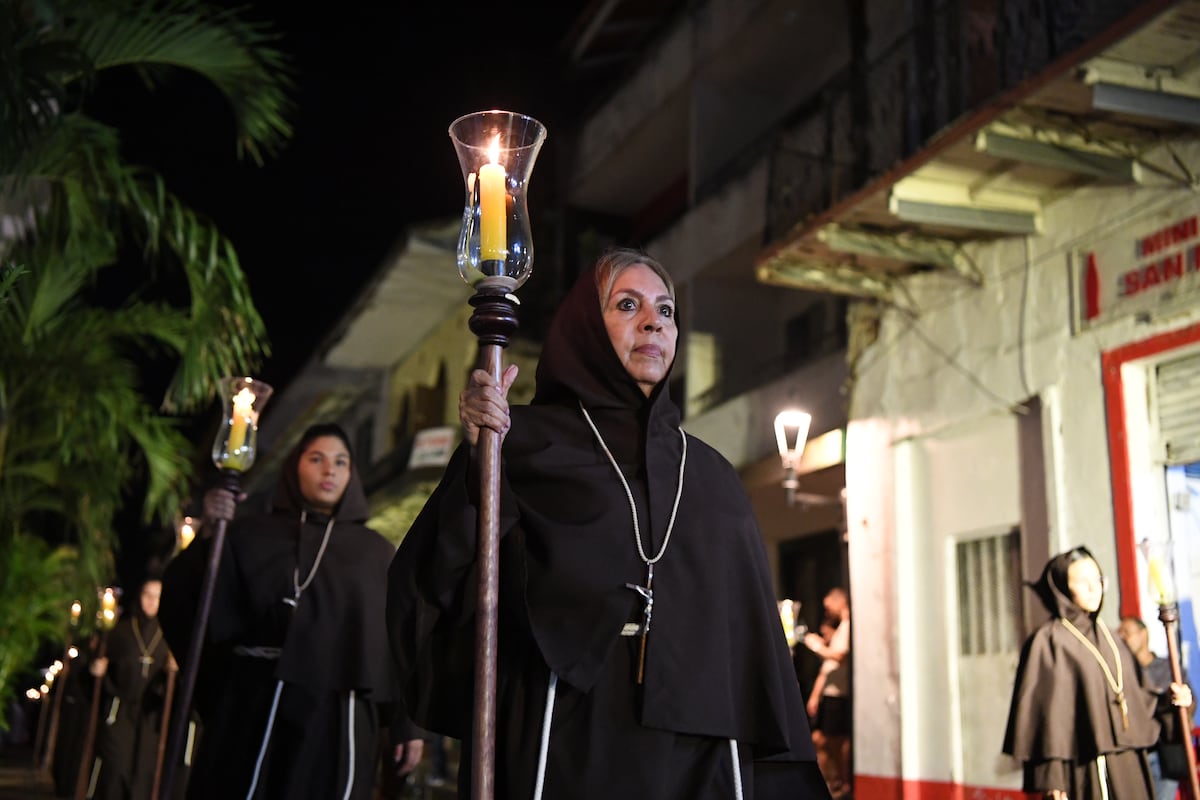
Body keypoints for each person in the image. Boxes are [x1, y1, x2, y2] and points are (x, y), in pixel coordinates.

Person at [386, 247, 830, 799]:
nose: (653, 322)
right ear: (584, 329)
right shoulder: (519, 443)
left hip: (698, 744)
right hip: (568, 727)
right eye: (627, 305)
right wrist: (481, 468)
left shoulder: (713, 476)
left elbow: (753, 640)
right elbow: (439, 581)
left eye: (665, 311)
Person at [159, 422, 423, 799]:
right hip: (255, 703)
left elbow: (400, 640)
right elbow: (190, 600)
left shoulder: (375, 552)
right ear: (293, 468)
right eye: (316, 459)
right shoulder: (248, 535)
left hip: (336, 714)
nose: (329, 470)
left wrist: (407, 726)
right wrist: (209, 534)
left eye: (340, 462)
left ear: (352, 474)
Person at [1003, 546, 1193, 799]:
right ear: (1062, 588)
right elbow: (1046, 719)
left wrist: (1174, 703)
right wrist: (1052, 778)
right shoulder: (1050, 640)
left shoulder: (1113, 639)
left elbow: (1142, 702)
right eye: (1083, 582)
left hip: (1130, 763)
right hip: (1087, 763)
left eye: (1098, 579)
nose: (1095, 589)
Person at [85, 576, 172, 800]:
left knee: (142, 773)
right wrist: (96, 669)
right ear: (139, 597)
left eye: (159, 597)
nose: (152, 602)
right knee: (116, 766)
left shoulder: (171, 634)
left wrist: (174, 670)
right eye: (148, 595)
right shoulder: (121, 630)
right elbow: (98, 662)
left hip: (150, 716)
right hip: (120, 710)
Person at [1118, 615, 1195, 800]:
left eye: (1126, 632)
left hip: (1164, 752)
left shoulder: (1168, 668)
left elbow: (1189, 707)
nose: (1121, 637)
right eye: (1119, 633)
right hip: (1135, 755)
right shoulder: (1121, 673)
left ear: (1143, 634)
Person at [803, 588, 852, 799]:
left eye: (828, 606)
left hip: (838, 694)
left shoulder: (848, 627)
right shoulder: (841, 628)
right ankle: (833, 782)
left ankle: (843, 781)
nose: (827, 611)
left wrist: (814, 645)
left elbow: (838, 657)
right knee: (821, 740)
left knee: (835, 741)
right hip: (830, 694)